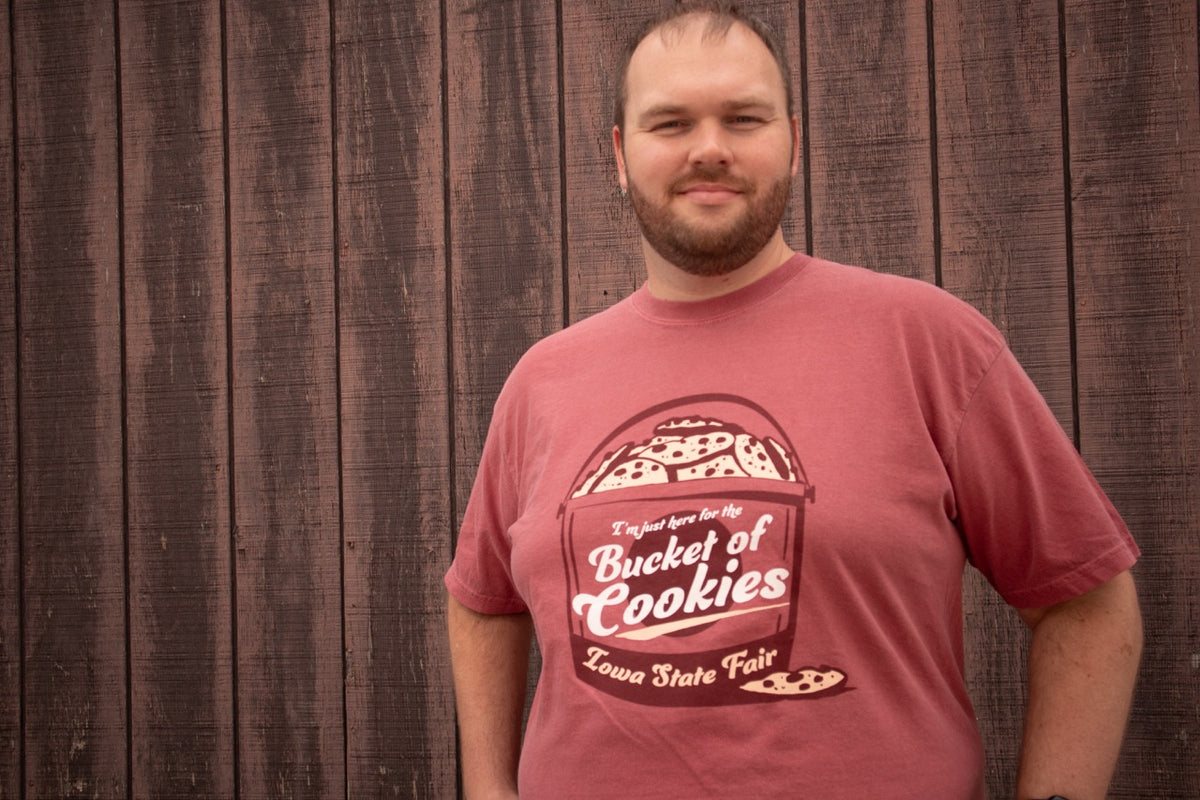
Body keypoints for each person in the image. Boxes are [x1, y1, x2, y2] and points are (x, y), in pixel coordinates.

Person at [445, 2, 1142, 798]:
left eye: (744, 117)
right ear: (619, 153)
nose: (710, 149)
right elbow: (482, 600)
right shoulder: (544, 379)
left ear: (795, 139)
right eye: (670, 123)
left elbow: (1085, 598)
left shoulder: (926, 339)